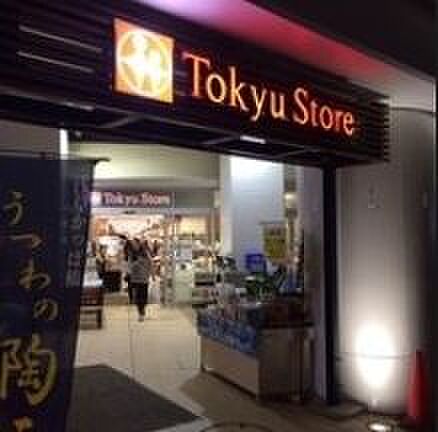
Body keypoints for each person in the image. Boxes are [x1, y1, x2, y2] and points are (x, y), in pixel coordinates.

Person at [130, 243, 153, 321]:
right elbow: (151, 266)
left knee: (139, 297)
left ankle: (141, 313)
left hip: (137, 281)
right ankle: (142, 312)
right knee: (143, 297)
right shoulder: (147, 260)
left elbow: (132, 269)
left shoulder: (137, 261)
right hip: (144, 281)